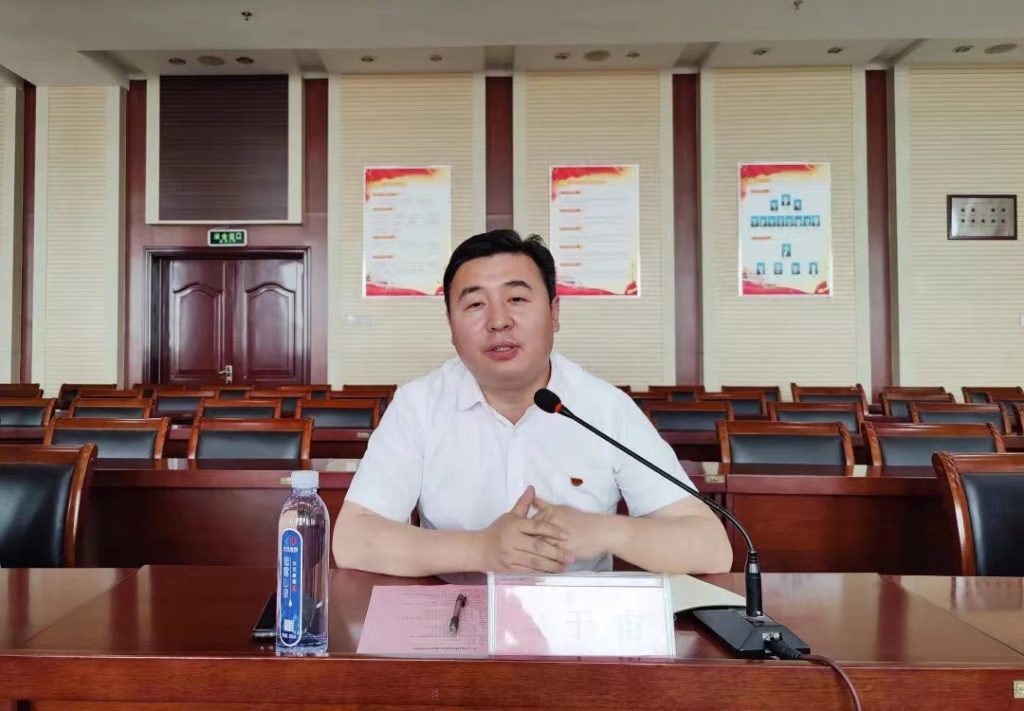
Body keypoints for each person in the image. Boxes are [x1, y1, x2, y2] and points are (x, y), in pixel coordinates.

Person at [334, 230, 731, 577]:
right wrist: (480, 549)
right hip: (455, 622)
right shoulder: (418, 406)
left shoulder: (606, 408)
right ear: (450, 324)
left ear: (554, 313)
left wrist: (607, 531)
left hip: (576, 625)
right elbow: (353, 539)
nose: (499, 321)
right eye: (475, 304)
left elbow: (712, 548)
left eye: (517, 298)